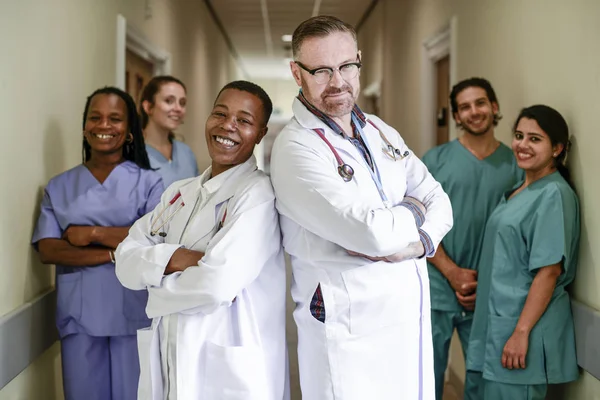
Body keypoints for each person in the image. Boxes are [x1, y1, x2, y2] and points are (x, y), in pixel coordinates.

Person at [269, 15, 453, 400]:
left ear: (358, 61)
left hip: (406, 320)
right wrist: (415, 212)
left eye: (347, 66)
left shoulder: (380, 130)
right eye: (320, 70)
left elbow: (441, 202)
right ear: (296, 72)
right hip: (349, 330)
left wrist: (416, 243)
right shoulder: (296, 149)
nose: (337, 81)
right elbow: (371, 234)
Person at [115, 80, 288, 400]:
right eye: (220, 114)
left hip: (225, 370)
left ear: (261, 134)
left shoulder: (258, 196)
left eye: (244, 120)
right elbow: (125, 261)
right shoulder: (179, 193)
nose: (228, 126)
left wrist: (152, 287)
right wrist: (179, 257)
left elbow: (215, 285)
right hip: (170, 358)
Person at [32, 87, 164, 399]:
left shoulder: (149, 183)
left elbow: (156, 237)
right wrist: (114, 252)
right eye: (96, 117)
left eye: (115, 119)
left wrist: (89, 235)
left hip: (133, 314)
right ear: (84, 126)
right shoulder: (60, 186)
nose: (103, 125)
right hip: (79, 317)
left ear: (129, 130)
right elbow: (49, 249)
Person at [466, 105, 579, 399]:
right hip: (492, 328)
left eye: (535, 139)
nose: (522, 145)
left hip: (518, 335)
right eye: (518, 136)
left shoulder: (553, 194)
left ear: (557, 149)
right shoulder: (519, 190)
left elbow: (549, 271)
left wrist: (521, 333)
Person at [422, 77, 523, 400]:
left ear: (494, 108)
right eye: (464, 107)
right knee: (426, 375)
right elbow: (417, 226)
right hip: (438, 284)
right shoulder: (434, 162)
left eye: (480, 103)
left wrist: (485, 283)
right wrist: (453, 273)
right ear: (456, 116)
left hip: (489, 292)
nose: (474, 112)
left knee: (483, 380)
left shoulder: (516, 165)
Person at [141, 75, 199, 187]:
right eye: (169, 101)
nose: (178, 108)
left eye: (182, 103)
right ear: (148, 107)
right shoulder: (132, 154)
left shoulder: (186, 153)